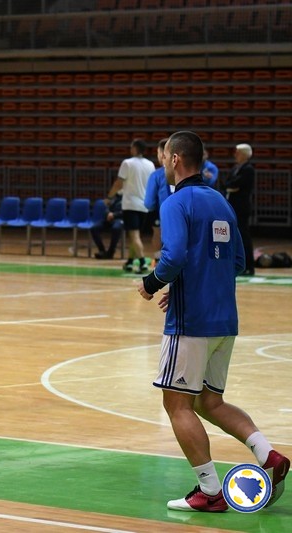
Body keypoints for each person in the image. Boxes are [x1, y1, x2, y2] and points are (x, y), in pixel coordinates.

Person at [137, 130, 289, 512]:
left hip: (192, 323)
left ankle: (210, 490)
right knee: (209, 402)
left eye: (165, 158)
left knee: (177, 405)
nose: (163, 163)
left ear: (175, 159)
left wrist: (152, 284)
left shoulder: (176, 202)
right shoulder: (221, 201)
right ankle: (268, 455)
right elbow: (237, 261)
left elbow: (172, 256)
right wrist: (191, 284)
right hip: (225, 320)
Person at [105, 138, 155, 274]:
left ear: (135, 148)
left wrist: (109, 197)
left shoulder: (127, 163)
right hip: (144, 205)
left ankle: (143, 263)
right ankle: (130, 262)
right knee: (135, 235)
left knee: (134, 236)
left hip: (131, 204)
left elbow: (119, 183)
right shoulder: (150, 164)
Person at [223, 143, 255, 276]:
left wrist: (232, 186)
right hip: (232, 206)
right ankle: (236, 264)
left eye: (238, 152)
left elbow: (237, 184)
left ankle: (248, 266)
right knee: (234, 236)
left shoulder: (248, 169)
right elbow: (227, 184)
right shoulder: (235, 168)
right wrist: (232, 186)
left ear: (244, 154)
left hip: (241, 208)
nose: (235, 154)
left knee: (243, 237)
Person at [144, 138, 172, 266]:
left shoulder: (157, 175)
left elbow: (149, 202)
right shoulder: (184, 172)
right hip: (183, 210)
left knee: (157, 233)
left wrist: (150, 207)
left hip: (162, 212)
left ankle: (158, 259)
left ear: (162, 154)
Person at [91, 193, 123, 260]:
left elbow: (126, 212)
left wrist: (114, 215)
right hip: (109, 219)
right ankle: (102, 250)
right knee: (94, 228)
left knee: (116, 228)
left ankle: (111, 251)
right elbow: (107, 208)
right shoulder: (115, 198)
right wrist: (108, 214)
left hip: (120, 219)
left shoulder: (128, 199)